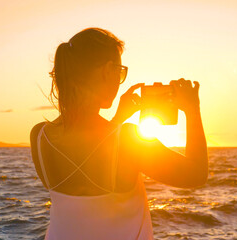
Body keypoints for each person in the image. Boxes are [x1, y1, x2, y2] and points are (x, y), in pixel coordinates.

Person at [29, 28, 208, 240]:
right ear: (107, 71)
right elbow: (196, 174)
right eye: (120, 70)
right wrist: (192, 109)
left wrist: (116, 121)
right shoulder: (127, 139)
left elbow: (89, 159)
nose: (119, 78)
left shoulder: (40, 137)